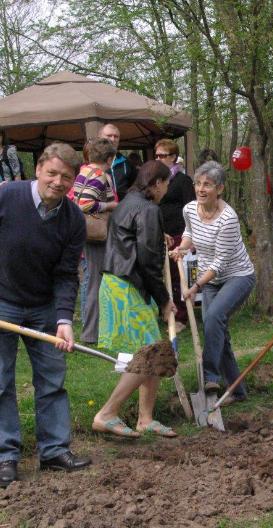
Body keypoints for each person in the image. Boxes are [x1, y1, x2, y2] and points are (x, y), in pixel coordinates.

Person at [0, 143, 91, 488]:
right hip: (2, 299)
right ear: (38, 169)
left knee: (52, 379)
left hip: (43, 307)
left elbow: (67, 274)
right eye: (52, 173)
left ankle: (54, 450)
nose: (57, 182)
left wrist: (64, 319)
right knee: (0, 380)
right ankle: (5, 457)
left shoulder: (73, 219)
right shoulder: (7, 197)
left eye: (66, 177)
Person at [92, 161, 177, 438]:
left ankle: (146, 418)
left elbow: (130, 237)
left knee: (148, 351)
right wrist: (164, 300)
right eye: (165, 184)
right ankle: (107, 413)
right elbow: (149, 262)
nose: (166, 190)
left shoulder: (128, 202)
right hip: (126, 288)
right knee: (153, 355)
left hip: (115, 282)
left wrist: (155, 232)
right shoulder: (149, 208)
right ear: (156, 184)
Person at [170, 161, 255, 404]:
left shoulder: (228, 219)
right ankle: (238, 391)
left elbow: (218, 264)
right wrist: (181, 249)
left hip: (238, 276)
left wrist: (195, 287)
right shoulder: (189, 209)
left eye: (207, 184)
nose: (201, 189)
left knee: (213, 318)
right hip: (210, 279)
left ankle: (210, 376)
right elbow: (189, 233)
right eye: (198, 183)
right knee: (216, 329)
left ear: (220, 189)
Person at [73, 138, 119, 344]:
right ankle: (91, 333)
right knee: (94, 283)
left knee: (93, 280)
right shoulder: (100, 176)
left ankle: (97, 329)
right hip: (96, 235)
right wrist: (109, 206)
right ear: (109, 158)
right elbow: (84, 204)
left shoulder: (84, 171)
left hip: (85, 232)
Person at [157, 139, 196, 325]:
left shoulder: (183, 180)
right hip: (160, 234)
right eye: (157, 155)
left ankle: (181, 317)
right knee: (162, 276)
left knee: (178, 277)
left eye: (163, 155)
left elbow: (192, 209)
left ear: (173, 157)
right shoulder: (156, 179)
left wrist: (189, 238)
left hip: (179, 235)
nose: (159, 159)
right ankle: (166, 312)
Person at [98, 123, 137, 201]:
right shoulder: (92, 163)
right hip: (100, 210)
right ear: (99, 138)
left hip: (124, 209)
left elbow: (135, 187)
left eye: (116, 136)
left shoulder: (127, 163)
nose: (113, 139)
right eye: (109, 135)